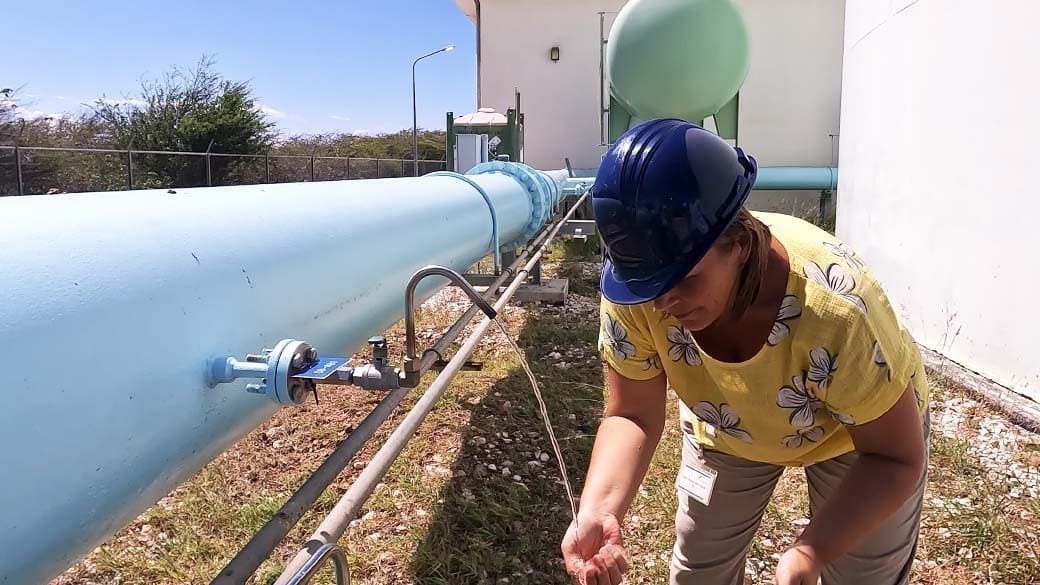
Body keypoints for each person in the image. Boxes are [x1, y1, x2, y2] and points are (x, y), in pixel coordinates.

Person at [561, 118, 930, 585]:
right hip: (726, 424)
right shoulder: (641, 291)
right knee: (700, 575)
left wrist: (810, 552)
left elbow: (895, 457)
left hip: (858, 440)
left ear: (738, 243)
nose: (663, 305)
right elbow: (632, 413)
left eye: (685, 279)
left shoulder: (838, 311)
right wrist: (597, 510)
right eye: (647, 285)